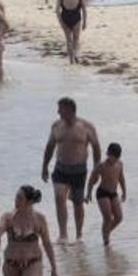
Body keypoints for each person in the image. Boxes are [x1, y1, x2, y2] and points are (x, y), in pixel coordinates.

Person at [41, 96, 101, 241]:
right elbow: (49, 147)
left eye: (60, 109)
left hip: (79, 170)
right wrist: (44, 167)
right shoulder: (56, 126)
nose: (58, 112)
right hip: (60, 169)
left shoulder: (87, 126)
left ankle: (79, 234)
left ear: (69, 110)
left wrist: (96, 169)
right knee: (59, 197)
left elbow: (96, 148)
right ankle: (63, 234)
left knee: (78, 203)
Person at [0, 185, 60, 276]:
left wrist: (54, 268)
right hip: (11, 264)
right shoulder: (8, 218)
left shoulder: (39, 219)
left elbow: (47, 244)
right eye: (16, 196)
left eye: (20, 198)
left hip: (32, 263)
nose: (16, 200)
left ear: (30, 202)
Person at [84, 143, 127, 246]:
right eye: (112, 157)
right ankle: (106, 240)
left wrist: (124, 192)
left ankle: (106, 232)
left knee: (119, 217)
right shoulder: (101, 165)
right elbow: (91, 180)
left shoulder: (120, 164)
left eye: (116, 158)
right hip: (102, 193)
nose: (114, 160)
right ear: (108, 154)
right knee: (107, 217)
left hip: (113, 193)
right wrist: (88, 193)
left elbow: (121, 178)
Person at [56, 0, 86, 65]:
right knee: (76, 39)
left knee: (68, 40)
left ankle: (71, 61)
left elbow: (57, 10)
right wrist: (84, 22)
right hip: (76, 17)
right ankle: (76, 54)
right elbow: (84, 10)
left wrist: (60, 21)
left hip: (65, 17)